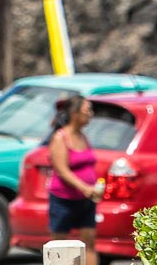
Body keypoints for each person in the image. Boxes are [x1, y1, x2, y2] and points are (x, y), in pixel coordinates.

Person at [47, 93, 101, 265]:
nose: (90, 114)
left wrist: (93, 188)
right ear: (74, 113)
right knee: (60, 246)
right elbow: (61, 170)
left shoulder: (82, 136)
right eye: (87, 110)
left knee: (89, 243)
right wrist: (84, 187)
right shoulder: (60, 137)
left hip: (86, 200)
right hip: (64, 200)